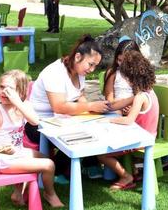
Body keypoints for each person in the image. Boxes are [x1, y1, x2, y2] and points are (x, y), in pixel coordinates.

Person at [26, 35, 109, 177]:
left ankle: (89, 164)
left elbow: (80, 97)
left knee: (94, 127)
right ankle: (57, 172)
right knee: (79, 134)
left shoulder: (79, 72)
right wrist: (90, 106)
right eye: (91, 64)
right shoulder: (54, 73)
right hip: (37, 124)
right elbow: (59, 106)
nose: (92, 70)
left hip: (60, 120)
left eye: (95, 66)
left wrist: (92, 113)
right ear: (78, 57)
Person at [0, 70, 64, 208]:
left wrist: (17, 102)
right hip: (3, 160)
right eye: (2, 87)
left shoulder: (24, 105)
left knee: (44, 157)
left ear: (20, 92)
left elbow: (34, 121)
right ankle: (49, 194)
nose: (4, 92)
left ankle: (18, 192)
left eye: (10, 89)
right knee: (48, 165)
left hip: (18, 152)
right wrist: (2, 149)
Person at [98, 51, 160, 191]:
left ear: (132, 78)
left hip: (141, 139)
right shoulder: (148, 92)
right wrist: (102, 107)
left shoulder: (140, 97)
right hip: (146, 134)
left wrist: (109, 122)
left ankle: (126, 176)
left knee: (102, 154)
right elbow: (117, 105)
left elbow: (129, 120)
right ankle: (133, 171)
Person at [102, 37, 141, 104]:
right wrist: (121, 105)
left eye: (126, 61)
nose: (122, 64)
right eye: (119, 60)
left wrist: (132, 107)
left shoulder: (139, 73)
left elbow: (142, 97)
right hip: (116, 108)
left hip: (135, 108)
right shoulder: (113, 73)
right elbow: (109, 100)